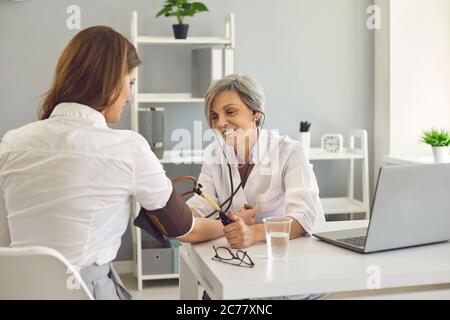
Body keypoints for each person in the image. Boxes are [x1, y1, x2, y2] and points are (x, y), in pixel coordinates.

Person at [0, 26, 216, 300]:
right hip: (85, 290)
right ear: (113, 82)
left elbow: (4, 237)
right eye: (131, 83)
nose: (130, 96)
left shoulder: (11, 143)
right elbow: (182, 227)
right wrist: (227, 226)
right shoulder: (128, 148)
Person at [186, 74, 327, 299]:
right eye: (214, 116)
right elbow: (200, 206)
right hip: (238, 270)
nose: (221, 123)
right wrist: (173, 209)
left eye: (230, 112)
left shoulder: (289, 152)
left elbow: (304, 219)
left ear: (255, 113)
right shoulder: (215, 154)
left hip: (287, 276)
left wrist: (252, 232)